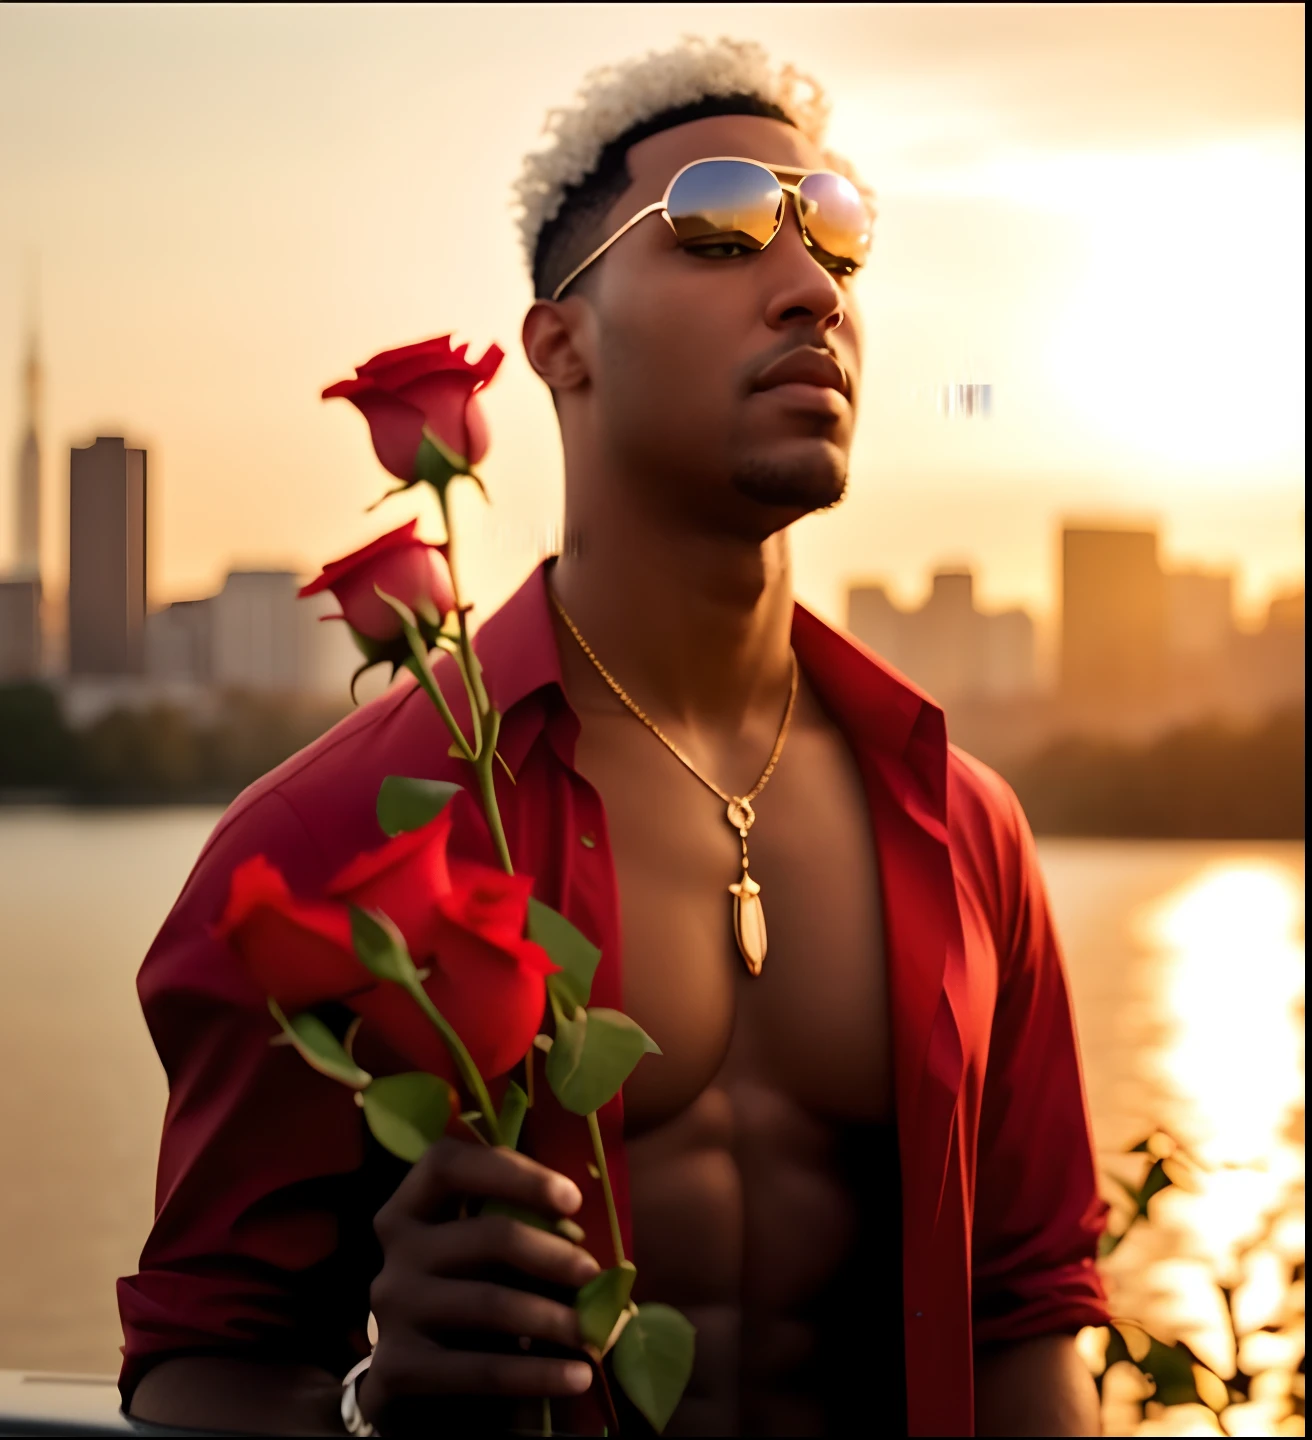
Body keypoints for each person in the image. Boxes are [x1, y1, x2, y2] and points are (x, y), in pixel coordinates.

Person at [119, 37, 1109, 1438]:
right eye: (717, 226)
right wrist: (362, 1408)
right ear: (559, 345)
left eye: (838, 236)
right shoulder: (330, 839)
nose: (812, 289)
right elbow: (198, 1360)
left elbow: (1026, 1316)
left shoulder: (964, 824)